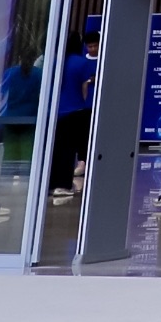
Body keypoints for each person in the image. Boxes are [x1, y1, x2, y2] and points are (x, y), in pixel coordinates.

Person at [48, 25, 100, 203]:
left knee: (56, 148)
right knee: (69, 149)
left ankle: (51, 182)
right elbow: (84, 88)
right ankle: (63, 185)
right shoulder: (81, 63)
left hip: (56, 111)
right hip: (75, 110)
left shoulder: (56, 62)